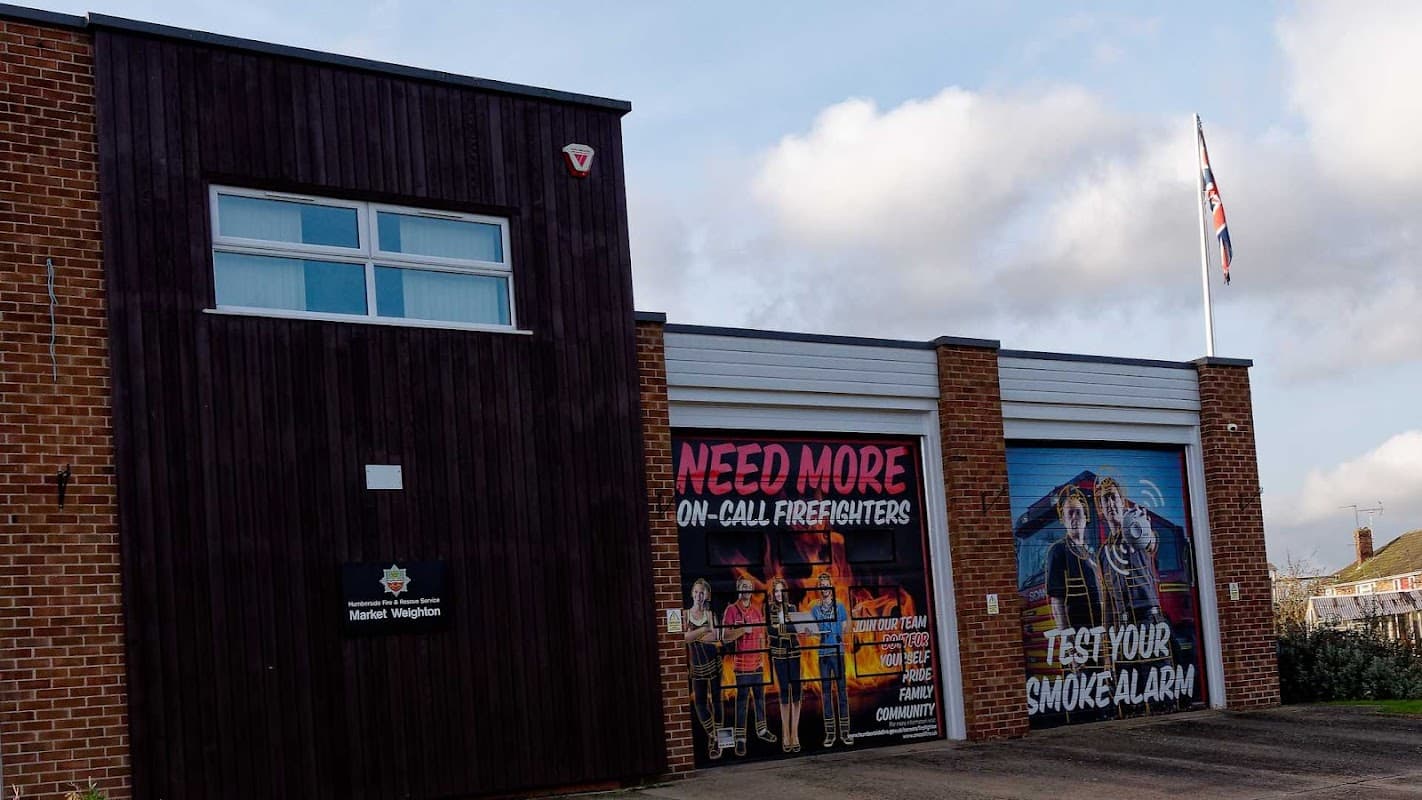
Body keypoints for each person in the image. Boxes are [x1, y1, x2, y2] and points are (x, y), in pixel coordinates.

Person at [1092, 477, 1162, 626]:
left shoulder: (1137, 530)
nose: (1110, 504)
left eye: (1113, 497)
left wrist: (1145, 531)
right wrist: (1108, 635)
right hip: (1124, 626)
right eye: (1105, 499)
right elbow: (1108, 599)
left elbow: (1151, 543)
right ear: (1101, 507)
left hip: (1149, 619)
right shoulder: (1103, 553)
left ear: (1122, 502)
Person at [721, 577, 777, 756]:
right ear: (738, 589)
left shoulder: (756, 611)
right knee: (742, 702)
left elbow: (762, 636)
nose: (746, 590)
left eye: (749, 587)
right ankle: (740, 739)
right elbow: (725, 636)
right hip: (742, 666)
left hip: (757, 665)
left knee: (760, 699)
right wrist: (742, 630)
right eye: (743, 587)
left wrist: (762, 657)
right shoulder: (731, 610)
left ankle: (762, 730)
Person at [1045, 486, 1106, 631]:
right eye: (1069, 514)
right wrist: (1068, 638)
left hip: (1099, 632)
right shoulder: (1058, 551)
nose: (1074, 518)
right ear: (1064, 520)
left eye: (1078, 513)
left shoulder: (1091, 554)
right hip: (1079, 634)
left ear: (1085, 517)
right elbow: (1057, 601)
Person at [683, 577, 723, 760]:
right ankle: (713, 735)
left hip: (713, 661)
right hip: (697, 665)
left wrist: (696, 634)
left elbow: (713, 638)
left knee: (716, 700)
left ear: (706, 595)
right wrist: (702, 631)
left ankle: (717, 742)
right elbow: (684, 638)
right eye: (696, 592)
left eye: (702, 592)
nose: (699, 595)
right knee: (700, 703)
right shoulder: (685, 615)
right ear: (692, 593)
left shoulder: (710, 615)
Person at [811, 572, 852, 747]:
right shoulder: (814, 609)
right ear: (819, 588)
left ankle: (845, 733)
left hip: (838, 653)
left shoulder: (840, 606)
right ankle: (830, 734)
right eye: (822, 586)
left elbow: (846, 629)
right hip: (823, 655)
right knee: (826, 694)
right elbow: (812, 631)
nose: (824, 589)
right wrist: (808, 631)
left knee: (842, 692)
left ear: (831, 587)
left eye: (827, 585)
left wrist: (850, 620)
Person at [766, 577, 803, 753]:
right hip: (779, 654)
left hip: (794, 653)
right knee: (784, 691)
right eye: (777, 591)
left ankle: (795, 734)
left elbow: (797, 629)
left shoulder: (792, 608)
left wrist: (783, 628)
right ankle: (785, 734)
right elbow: (770, 631)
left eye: (781, 591)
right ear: (774, 594)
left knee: (796, 691)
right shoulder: (769, 609)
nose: (779, 594)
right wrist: (785, 628)